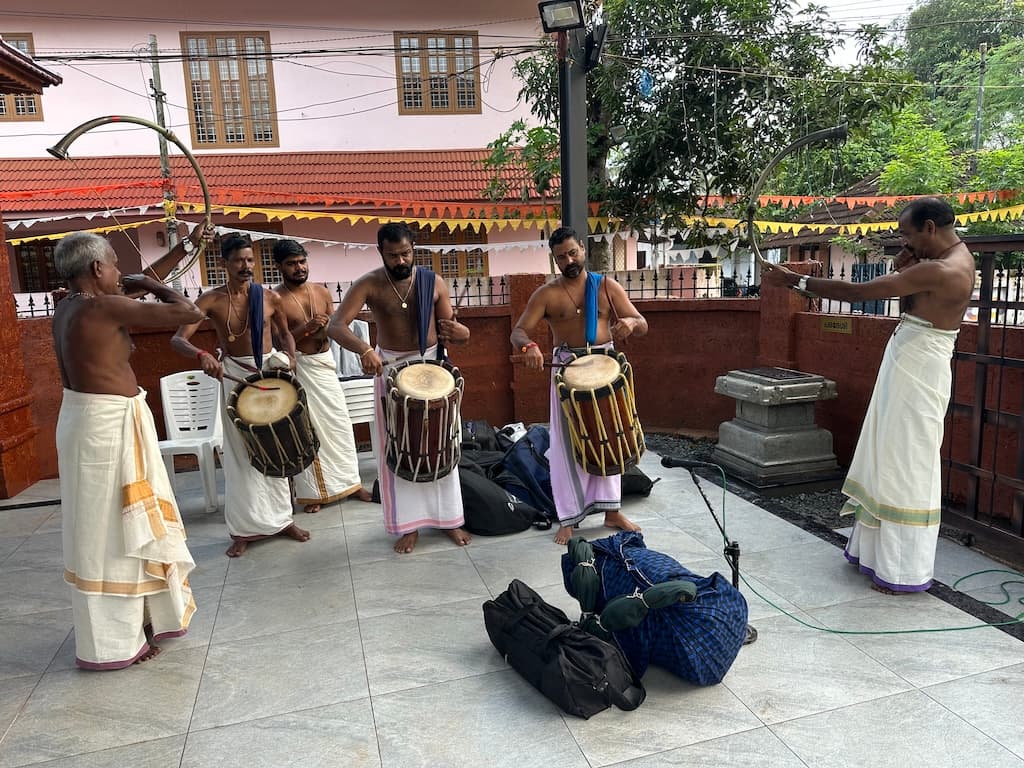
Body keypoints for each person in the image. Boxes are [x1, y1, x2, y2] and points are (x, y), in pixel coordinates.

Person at [762, 196, 975, 593]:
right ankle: (876, 555)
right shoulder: (944, 256)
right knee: (887, 451)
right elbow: (904, 278)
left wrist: (793, 281)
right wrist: (910, 253)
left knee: (906, 460)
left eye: (908, 235)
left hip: (921, 367)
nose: (903, 243)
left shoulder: (944, 268)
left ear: (930, 228)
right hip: (910, 357)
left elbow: (859, 293)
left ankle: (901, 569)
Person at [52, 231, 203, 669]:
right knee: (111, 532)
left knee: (101, 527)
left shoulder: (68, 306)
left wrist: (185, 247)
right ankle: (114, 642)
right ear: (97, 269)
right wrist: (155, 286)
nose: (121, 273)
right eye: (115, 264)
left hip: (84, 423)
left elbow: (124, 294)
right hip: (105, 426)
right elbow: (187, 311)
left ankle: (136, 623)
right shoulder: (102, 306)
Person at [327, 222, 472, 553]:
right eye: (393, 256)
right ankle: (409, 526)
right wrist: (364, 350)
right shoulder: (369, 283)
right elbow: (337, 325)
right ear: (381, 253)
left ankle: (449, 520)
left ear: (414, 249)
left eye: (405, 253)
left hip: (433, 369)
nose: (401, 261)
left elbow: (452, 332)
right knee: (397, 447)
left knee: (442, 444)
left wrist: (461, 333)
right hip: (392, 371)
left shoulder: (432, 282)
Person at [171, 232, 310, 557]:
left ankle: (282, 520)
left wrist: (289, 358)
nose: (246, 266)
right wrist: (202, 355)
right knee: (240, 454)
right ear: (224, 264)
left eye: (250, 260)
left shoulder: (269, 297)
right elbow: (178, 339)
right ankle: (244, 529)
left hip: (268, 378)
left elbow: (285, 335)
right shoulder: (211, 300)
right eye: (239, 261)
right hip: (233, 380)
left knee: (274, 448)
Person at [510, 226, 649, 545]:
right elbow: (519, 331)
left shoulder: (607, 287)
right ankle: (569, 518)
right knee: (564, 445)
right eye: (561, 256)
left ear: (583, 250)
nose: (568, 260)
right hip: (567, 369)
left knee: (610, 437)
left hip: (605, 366)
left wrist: (630, 323)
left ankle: (612, 512)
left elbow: (641, 323)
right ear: (554, 259)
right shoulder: (546, 294)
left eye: (573, 253)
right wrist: (528, 347)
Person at [271, 239, 372, 512]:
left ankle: (352, 483)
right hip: (302, 368)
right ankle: (315, 494)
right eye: (291, 264)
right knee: (309, 429)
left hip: (326, 367)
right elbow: (278, 343)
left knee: (340, 425)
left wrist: (329, 327)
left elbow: (336, 327)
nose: (299, 268)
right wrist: (306, 328)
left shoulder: (322, 292)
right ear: (279, 266)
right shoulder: (275, 299)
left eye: (302, 262)